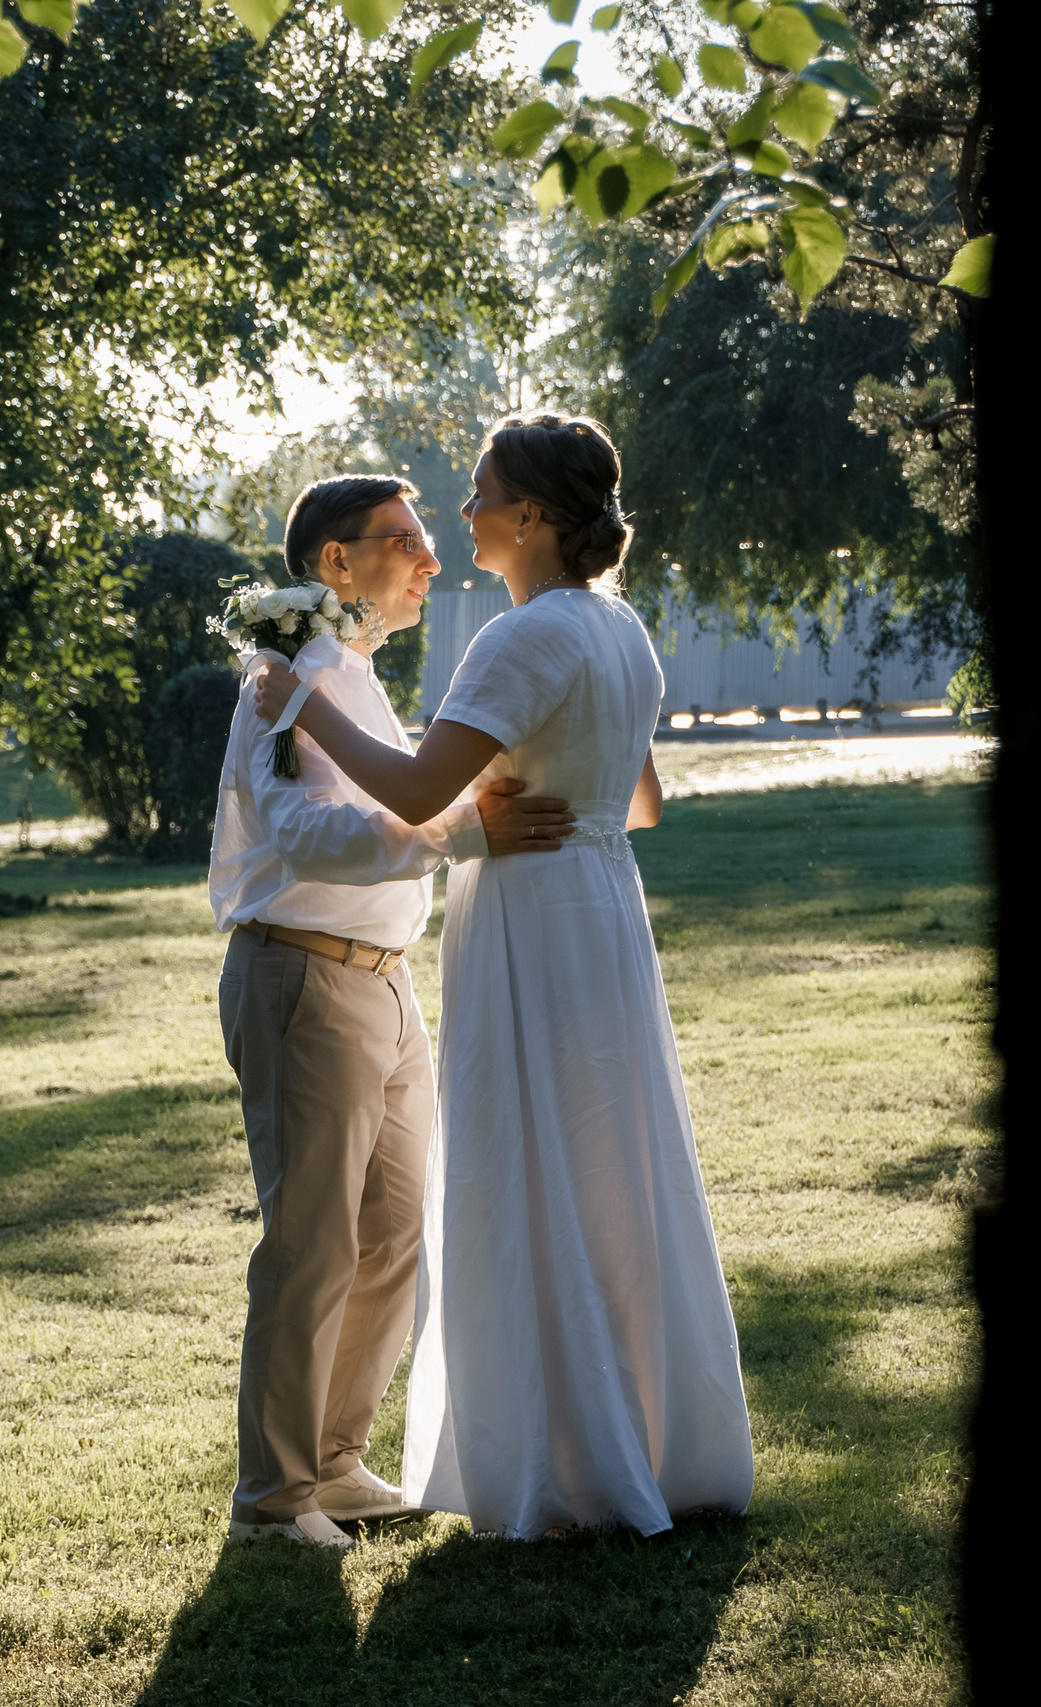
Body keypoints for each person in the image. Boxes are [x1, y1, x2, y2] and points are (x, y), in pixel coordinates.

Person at [251, 416, 755, 1539]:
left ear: (529, 516)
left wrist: (301, 704)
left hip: (530, 914)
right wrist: (547, 791)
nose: (462, 514)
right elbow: (641, 802)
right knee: (613, 1161)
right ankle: (652, 1440)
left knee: (532, 1164)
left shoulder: (519, 638)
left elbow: (425, 795)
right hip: (602, 910)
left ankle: (559, 1459)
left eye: (478, 494)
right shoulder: (619, 627)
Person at [210, 472, 581, 1549]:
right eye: (404, 544)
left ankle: (330, 1463)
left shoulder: (356, 679)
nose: (430, 561)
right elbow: (302, 836)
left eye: (427, 541)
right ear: (337, 563)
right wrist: (460, 829)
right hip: (301, 975)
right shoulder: (284, 680)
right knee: (312, 1244)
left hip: (381, 981)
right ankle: (272, 1503)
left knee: (391, 1237)